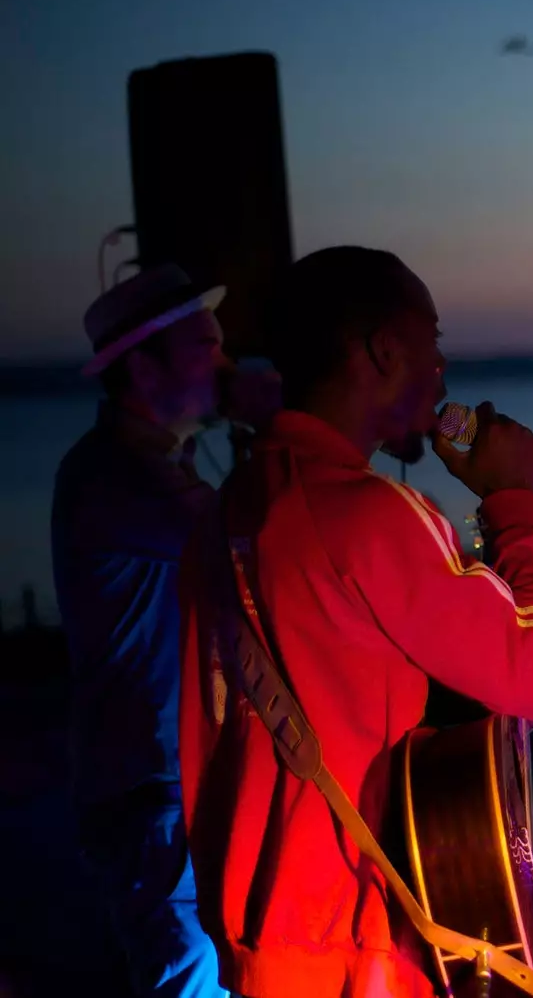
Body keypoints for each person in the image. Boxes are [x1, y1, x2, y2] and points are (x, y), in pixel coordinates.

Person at [177, 246, 533, 998]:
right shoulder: (372, 513)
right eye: (435, 341)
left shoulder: (223, 512)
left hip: (259, 945)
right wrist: (514, 505)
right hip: (355, 946)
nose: (442, 369)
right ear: (385, 350)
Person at [51, 263, 278, 998]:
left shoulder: (144, 465)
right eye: (205, 347)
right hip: (152, 793)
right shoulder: (113, 476)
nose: (224, 363)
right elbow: (255, 543)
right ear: (142, 366)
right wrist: (282, 423)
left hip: (169, 784)